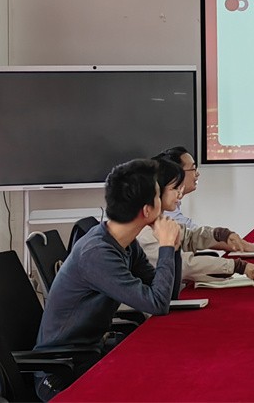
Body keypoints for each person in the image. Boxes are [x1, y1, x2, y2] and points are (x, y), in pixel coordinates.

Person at [34, 159, 181, 399]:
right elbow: (157, 304)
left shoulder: (124, 242)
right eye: (157, 196)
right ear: (146, 210)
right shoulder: (97, 253)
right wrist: (165, 246)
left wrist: (173, 248)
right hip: (62, 373)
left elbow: (168, 294)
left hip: (90, 356)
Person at [138, 159, 254, 285]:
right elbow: (185, 266)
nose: (180, 194)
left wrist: (220, 234)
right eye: (175, 188)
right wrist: (236, 266)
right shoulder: (145, 232)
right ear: (157, 191)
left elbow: (189, 237)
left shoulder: (159, 221)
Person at [154, 146, 254, 255]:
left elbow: (192, 235)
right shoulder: (165, 214)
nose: (197, 174)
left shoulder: (172, 206)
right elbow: (188, 257)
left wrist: (224, 235)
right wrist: (236, 258)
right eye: (193, 169)